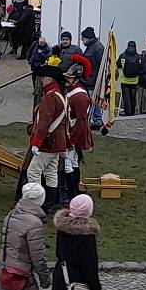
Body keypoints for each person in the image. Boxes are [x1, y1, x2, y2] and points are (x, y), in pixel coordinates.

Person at [27, 64, 69, 213]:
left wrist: (37, 143)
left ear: (49, 79)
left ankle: (35, 205)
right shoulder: (61, 95)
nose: (41, 80)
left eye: (44, 77)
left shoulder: (50, 97)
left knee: (33, 172)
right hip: (58, 142)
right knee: (51, 173)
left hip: (48, 142)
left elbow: (44, 122)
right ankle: (49, 205)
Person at [63, 55, 94, 201]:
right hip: (71, 132)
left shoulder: (80, 96)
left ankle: (72, 193)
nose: (66, 81)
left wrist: (72, 140)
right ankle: (73, 192)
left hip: (75, 133)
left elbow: (81, 121)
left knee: (70, 163)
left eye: (69, 78)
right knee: (71, 162)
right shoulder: (73, 91)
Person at [80, 27, 105, 129]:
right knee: (92, 100)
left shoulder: (97, 47)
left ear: (88, 38)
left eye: (83, 38)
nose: (82, 40)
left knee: (94, 100)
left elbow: (102, 64)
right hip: (90, 78)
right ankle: (95, 119)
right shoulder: (92, 46)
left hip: (94, 79)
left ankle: (97, 120)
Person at [118, 41, 142, 117]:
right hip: (135, 80)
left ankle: (127, 112)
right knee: (133, 96)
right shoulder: (139, 57)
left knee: (126, 97)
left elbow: (118, 65)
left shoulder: (123, 56)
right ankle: (133, 111)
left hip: (124, 80)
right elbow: (141, 67)